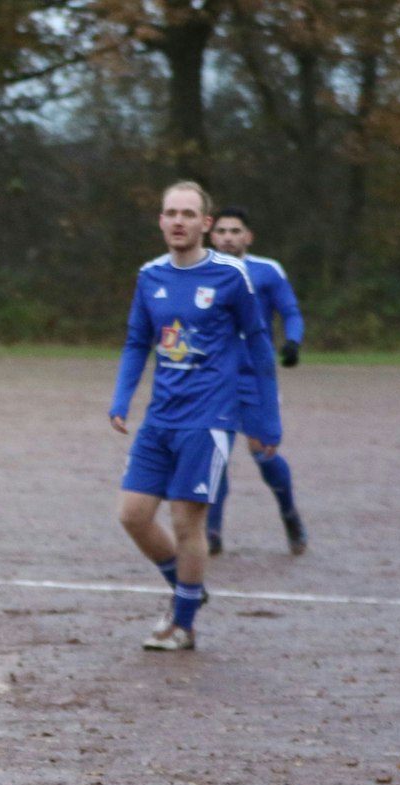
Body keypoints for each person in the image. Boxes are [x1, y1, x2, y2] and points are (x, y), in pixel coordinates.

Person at [108, 181, 275, 651]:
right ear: (161, 221)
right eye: (170, 213)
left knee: (187, 523)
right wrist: (121, 399)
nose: (178, 221)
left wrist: (266, 420)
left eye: (187, 213)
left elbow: (258, 343)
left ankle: (183, 624)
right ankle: (188, 591)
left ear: (205, 223)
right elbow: (137, 341)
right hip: (160, 417)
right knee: (133, 515)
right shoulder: (150, 276)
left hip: (209, 418)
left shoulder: (230, 275)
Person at [204, 206, 305, 555]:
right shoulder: (199, 271)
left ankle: (289, 513)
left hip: (254, 378)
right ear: (211, 236)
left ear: (248, 237)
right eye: (221, 231)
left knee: (263, 453)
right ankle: (211, 532)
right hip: (215, 379)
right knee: (214, 454)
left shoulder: (267, 270)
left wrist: (292, 342)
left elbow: (290, 311)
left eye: (235, 231)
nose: (228, 237)